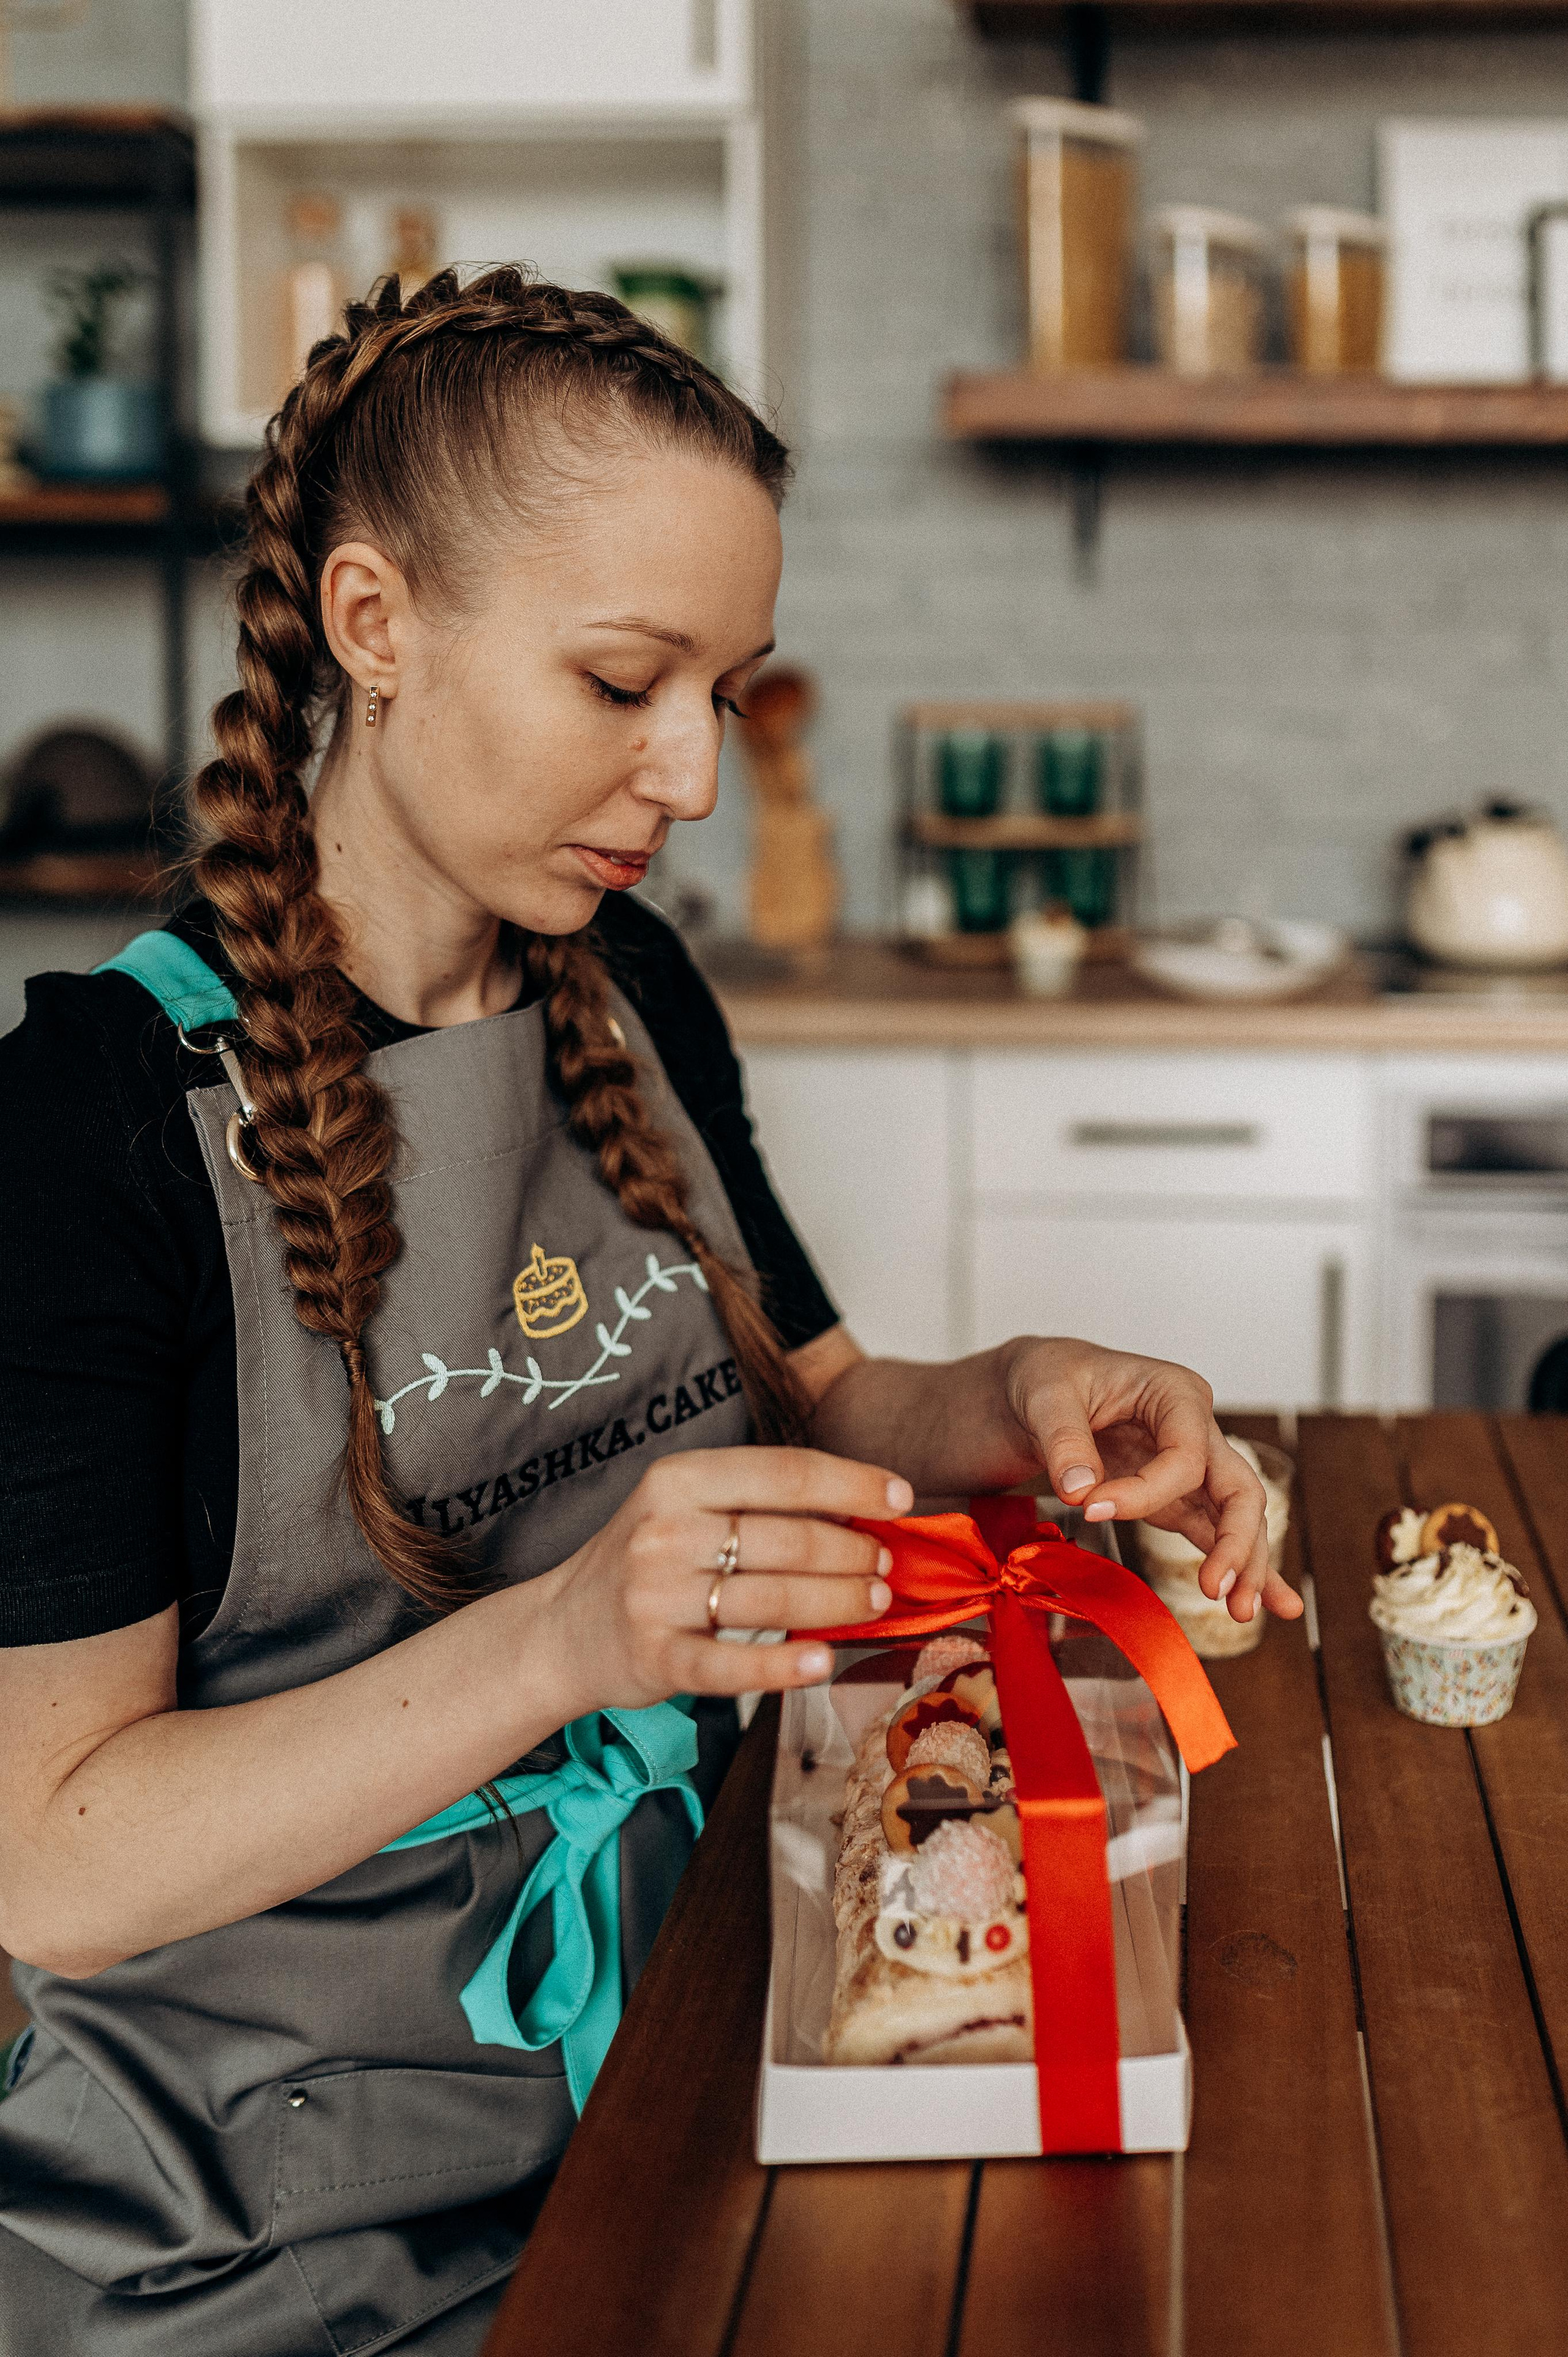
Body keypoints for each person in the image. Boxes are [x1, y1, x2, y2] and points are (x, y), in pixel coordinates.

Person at [0, 268, 1299, 2354]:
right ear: (373, 624)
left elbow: (829, 1400)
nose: (691, 777)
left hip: (713, 2034)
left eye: (726, 688)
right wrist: (566, 1637)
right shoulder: (90, 1131)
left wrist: (1030, 1394)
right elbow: (53, 1861)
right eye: (624, 682)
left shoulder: (624, 988)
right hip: (276, 2214)